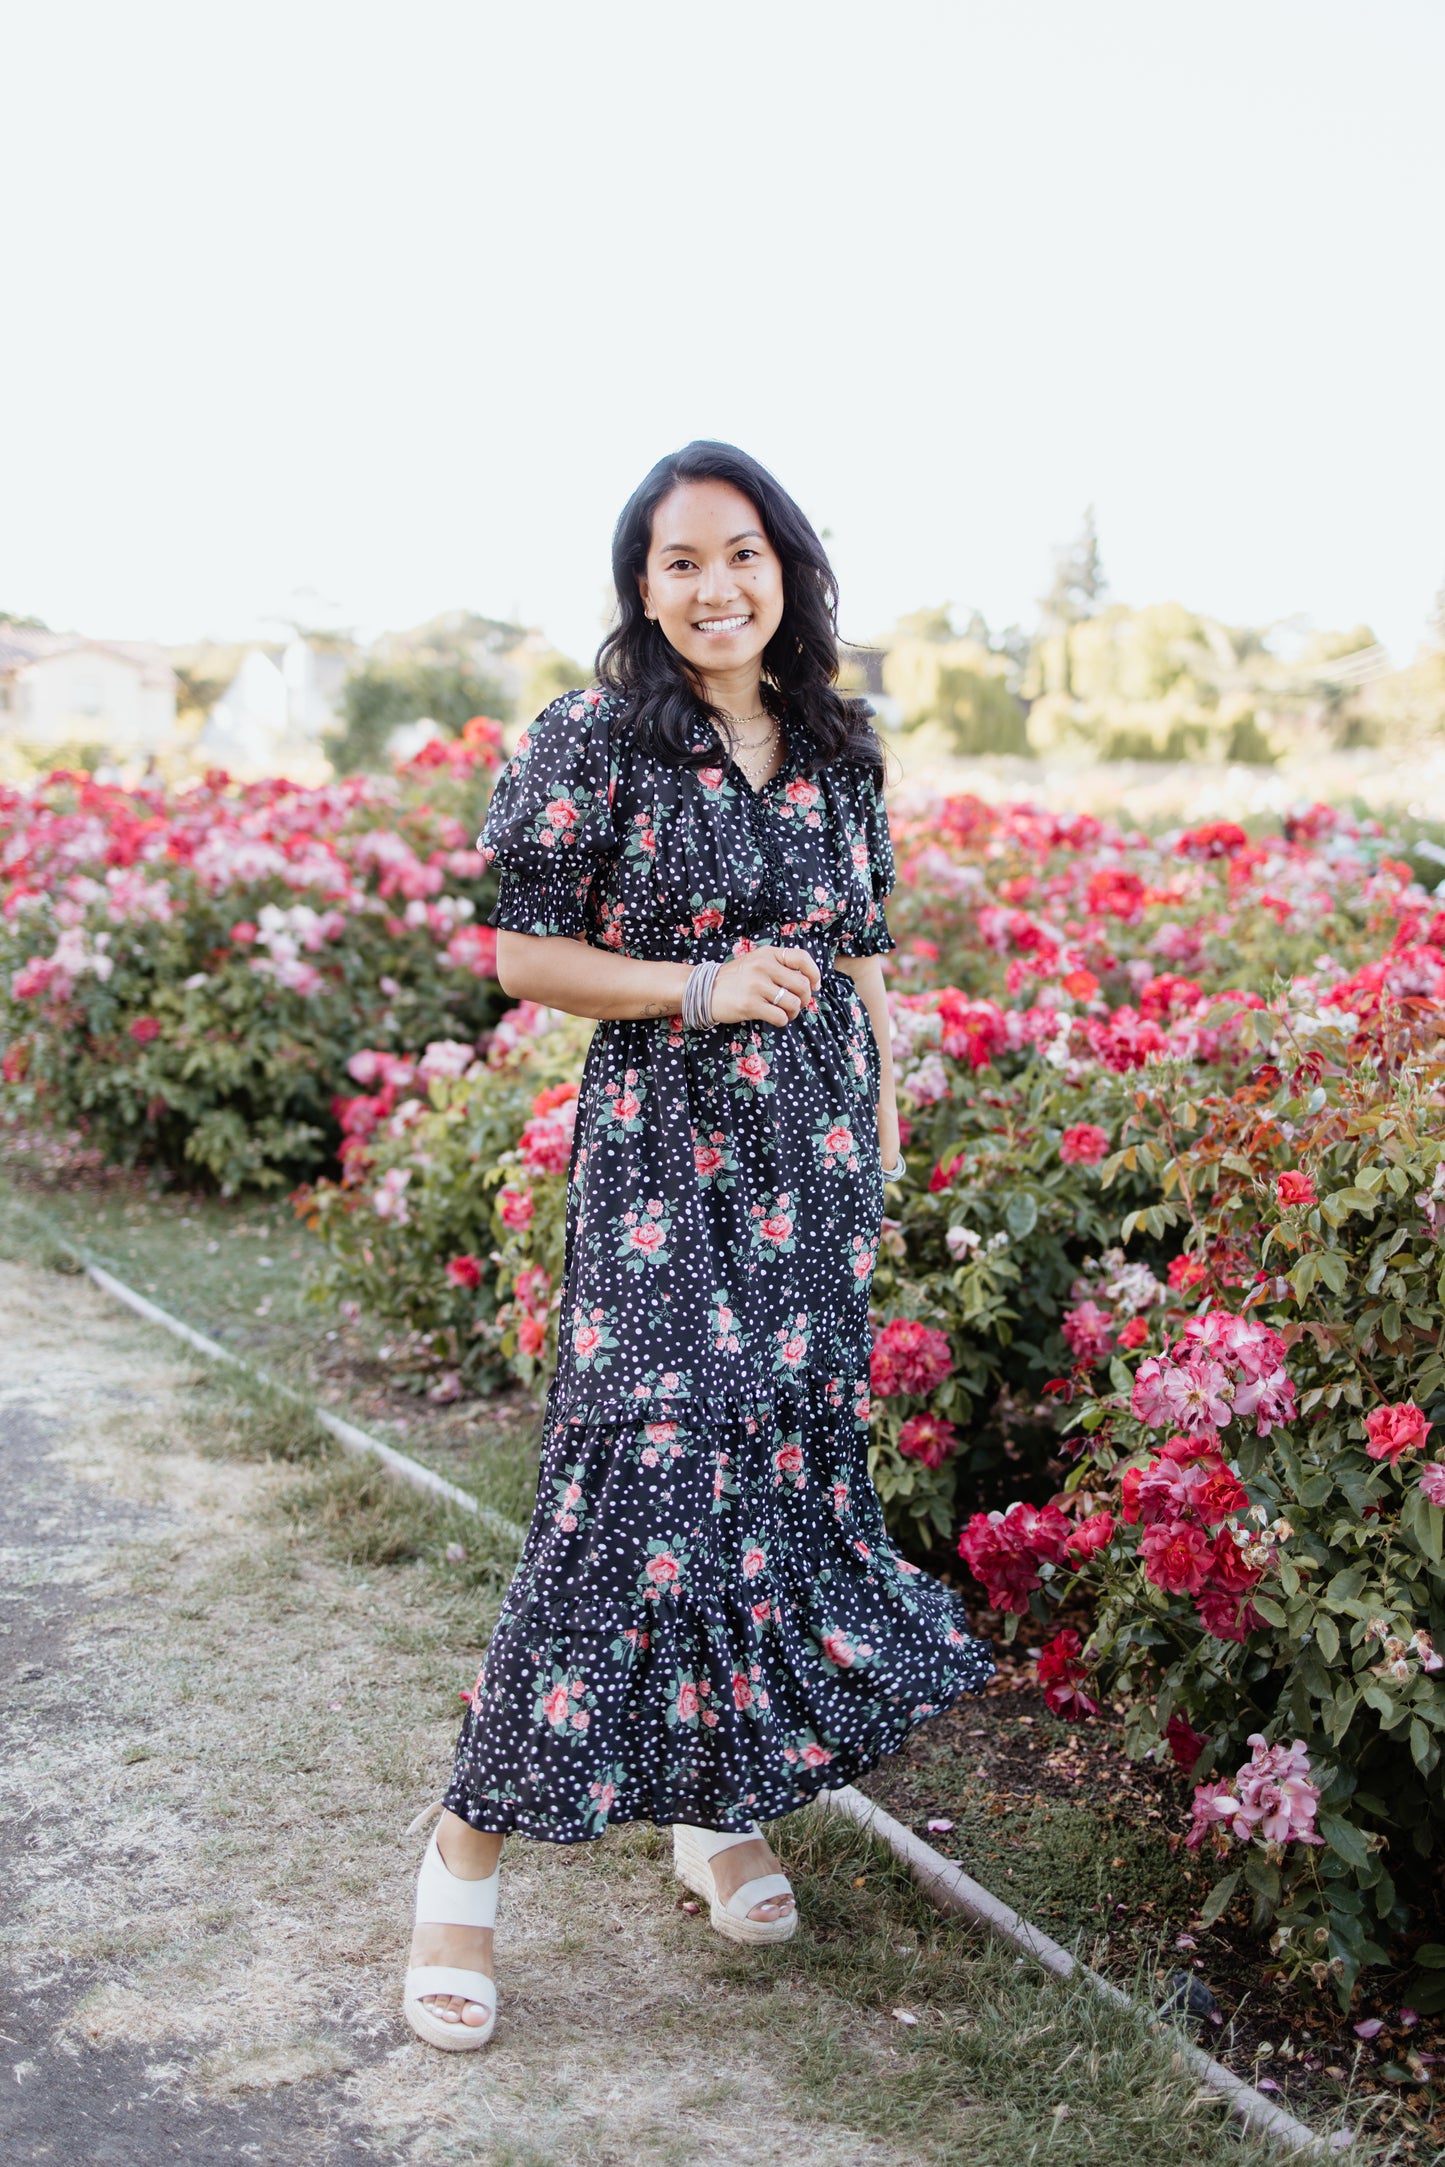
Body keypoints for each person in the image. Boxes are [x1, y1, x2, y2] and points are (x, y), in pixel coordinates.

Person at [403, 440, 994, 2049]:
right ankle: (461, 1855)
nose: (714, 586)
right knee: (638, 1486)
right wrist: (695, 984)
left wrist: (881, 1126)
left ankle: (709, 1811)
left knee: (760, 1480)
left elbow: (864, 951)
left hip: (809, 1169)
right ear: (639, 584)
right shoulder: (593, 738)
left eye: (741, 554)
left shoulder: (833, 744)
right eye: (679, 562)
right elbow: (523, 954)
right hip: (665, 1163)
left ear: (783, 566)